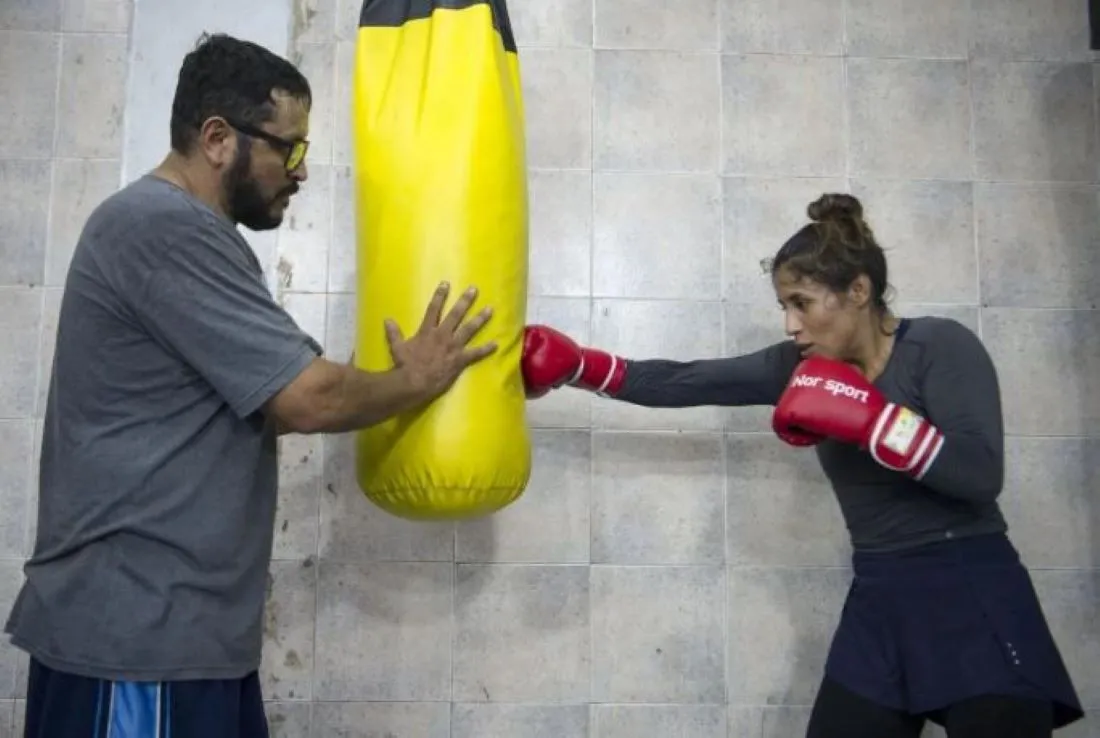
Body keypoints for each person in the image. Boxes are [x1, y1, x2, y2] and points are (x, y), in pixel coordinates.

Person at [5, 33, 496, 738]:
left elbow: (272, 404)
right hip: (137, 647)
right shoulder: (162, 227)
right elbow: (307, 397)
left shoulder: (178, 235)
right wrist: (417, 378)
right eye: (287, 148)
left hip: (186, 644)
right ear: (216, 137)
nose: (298, 171)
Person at [520, 193, 1084, 738]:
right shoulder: (798, 367)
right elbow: (685, 379)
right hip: (881, 592)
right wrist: (580, 368)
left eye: (802, 303)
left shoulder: (938, 347)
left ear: (858, 290)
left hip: (970, 584)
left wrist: (874, 421)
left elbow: (981, 472)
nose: (791, 325)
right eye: (784, 307)